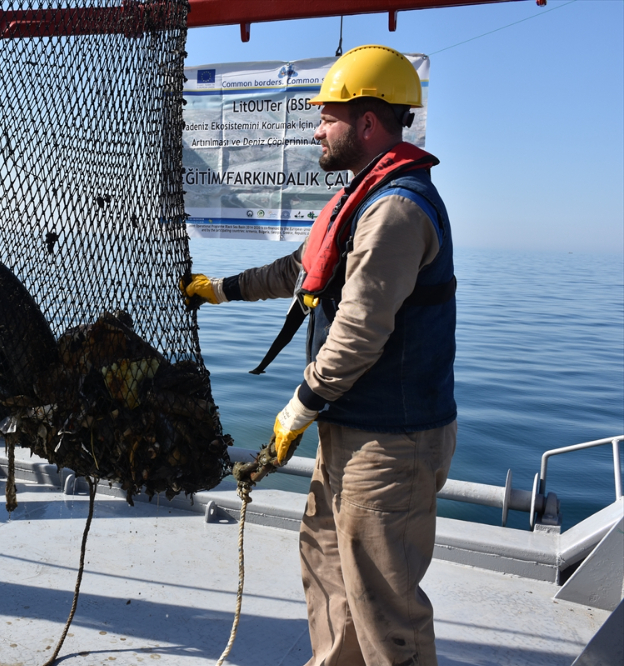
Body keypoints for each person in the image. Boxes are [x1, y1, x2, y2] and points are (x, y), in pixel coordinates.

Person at [184, 45, 457, 666]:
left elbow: (359, 332)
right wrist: (219, 290)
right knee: (328, 570)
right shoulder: (366, 195)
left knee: (384, 608)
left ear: (367, 121)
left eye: (328, 116)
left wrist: (294, 414)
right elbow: (301, 270)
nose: (316, 128)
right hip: (354, 431)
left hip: (392, 441)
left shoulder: (395, 208)